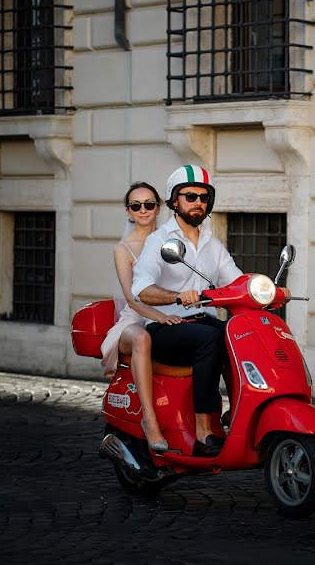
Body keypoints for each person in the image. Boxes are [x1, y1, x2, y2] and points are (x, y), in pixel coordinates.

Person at [132, 164, 243, 457]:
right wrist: (178, 297)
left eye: (204, 198)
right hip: (165, 328)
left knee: (241, 334)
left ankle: (239, 412)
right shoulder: (160, 241)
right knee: (211, 339)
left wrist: (264, 287)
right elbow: (142, 289)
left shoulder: (212, 244)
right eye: (190, 196)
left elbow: (235, 281)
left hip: (201, 323)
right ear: (174, 201)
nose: (198, 203)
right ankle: (203, 428)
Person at [100, 182, 183, 453]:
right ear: (128, 211)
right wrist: (158, 315)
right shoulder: (122, 249)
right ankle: (150, 421)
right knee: (142, 339)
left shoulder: (171, 240)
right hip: (134, 321)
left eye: (149, 204)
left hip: (170, 314)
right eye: (136, 205)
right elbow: (132, 297)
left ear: (158, 207)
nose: (143, 210)